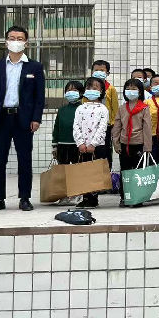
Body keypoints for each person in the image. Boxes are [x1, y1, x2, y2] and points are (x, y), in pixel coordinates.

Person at [0, 25, 45, 213]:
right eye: (12, 38)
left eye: (20, 38)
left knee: (25, 160)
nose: (16, 42)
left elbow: (39, 97)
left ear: (26, 43)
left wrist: (36, 118)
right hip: (0, 119)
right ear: (6, 41)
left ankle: (25, 198)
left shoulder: (35, 67)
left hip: (23, 119)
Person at [112, 78, 153, 206]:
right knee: (125, 171)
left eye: (134, 88)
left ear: (140, 92)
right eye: (128, 88)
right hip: (124, 143)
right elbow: (117, 126)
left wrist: (147, 147)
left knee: (137, 172)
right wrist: (116, 143)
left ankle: (137, 197)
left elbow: (147, 128)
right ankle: (124, 196)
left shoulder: (144, 108)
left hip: (139, 143)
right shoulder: (122, 108)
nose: (131, 91)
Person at [73, 77, 110, 208]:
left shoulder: (103, 109)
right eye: (89, 88)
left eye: (95, 88)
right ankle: (85, 197)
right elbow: (76, 126)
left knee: (95, 173)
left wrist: (93, 144)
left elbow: (102, 128)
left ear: (101, 91)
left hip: (97, 146)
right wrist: (80, 143)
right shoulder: (80, 108)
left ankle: (93, 198)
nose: (91, 90)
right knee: (84, 172)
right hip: (82, 147)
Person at [91, 60, 118, 174]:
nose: (99, 72)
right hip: (91, 125)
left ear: (107, 73)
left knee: (105, 150)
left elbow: (115, 108)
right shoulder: (88, 88)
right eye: (96, 70)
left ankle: (106, 175)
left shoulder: (111, 89)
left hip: (106, 126)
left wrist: (114, 125)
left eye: (102, 70)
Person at [53, 81, 84, 166]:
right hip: (62, 145)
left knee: (78, 171)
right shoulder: (62, 110)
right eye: (69, 90)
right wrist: (54, 146)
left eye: (75, 90)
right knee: (63, 171)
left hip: (78, 146)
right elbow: (56, 128)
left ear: (81, 93)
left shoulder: (83, 109)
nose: (71, 92)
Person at [146, 75, 159, 164]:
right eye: (156, 83)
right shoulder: (146, 102)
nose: (158, 85)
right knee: (152, 161)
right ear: (150, 86)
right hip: (152, 136)